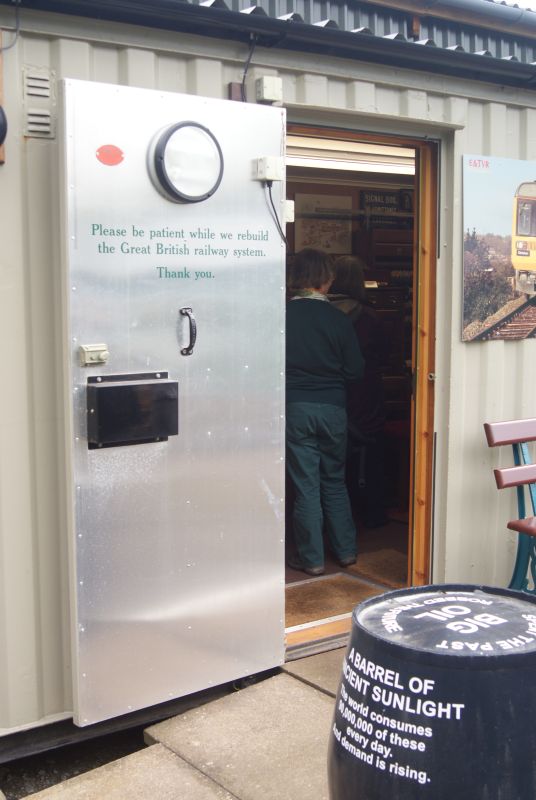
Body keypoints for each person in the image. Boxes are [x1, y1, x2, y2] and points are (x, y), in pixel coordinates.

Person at [286, 248, 364, 576]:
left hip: (295, 408)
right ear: (327, 281)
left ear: (294, 278)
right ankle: (345, 552)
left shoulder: (282, 317)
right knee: (333, 480)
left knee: (306, 485)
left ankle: (312, 559)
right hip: (333, 409)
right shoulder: (339, 319)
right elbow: (356, 371)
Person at [330, 255, 389, 528]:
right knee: (373, 450)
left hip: (333, 393)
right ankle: (373, 512)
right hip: (365, 392)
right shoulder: (371, 316)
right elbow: (384, 356)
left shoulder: (324, 314)